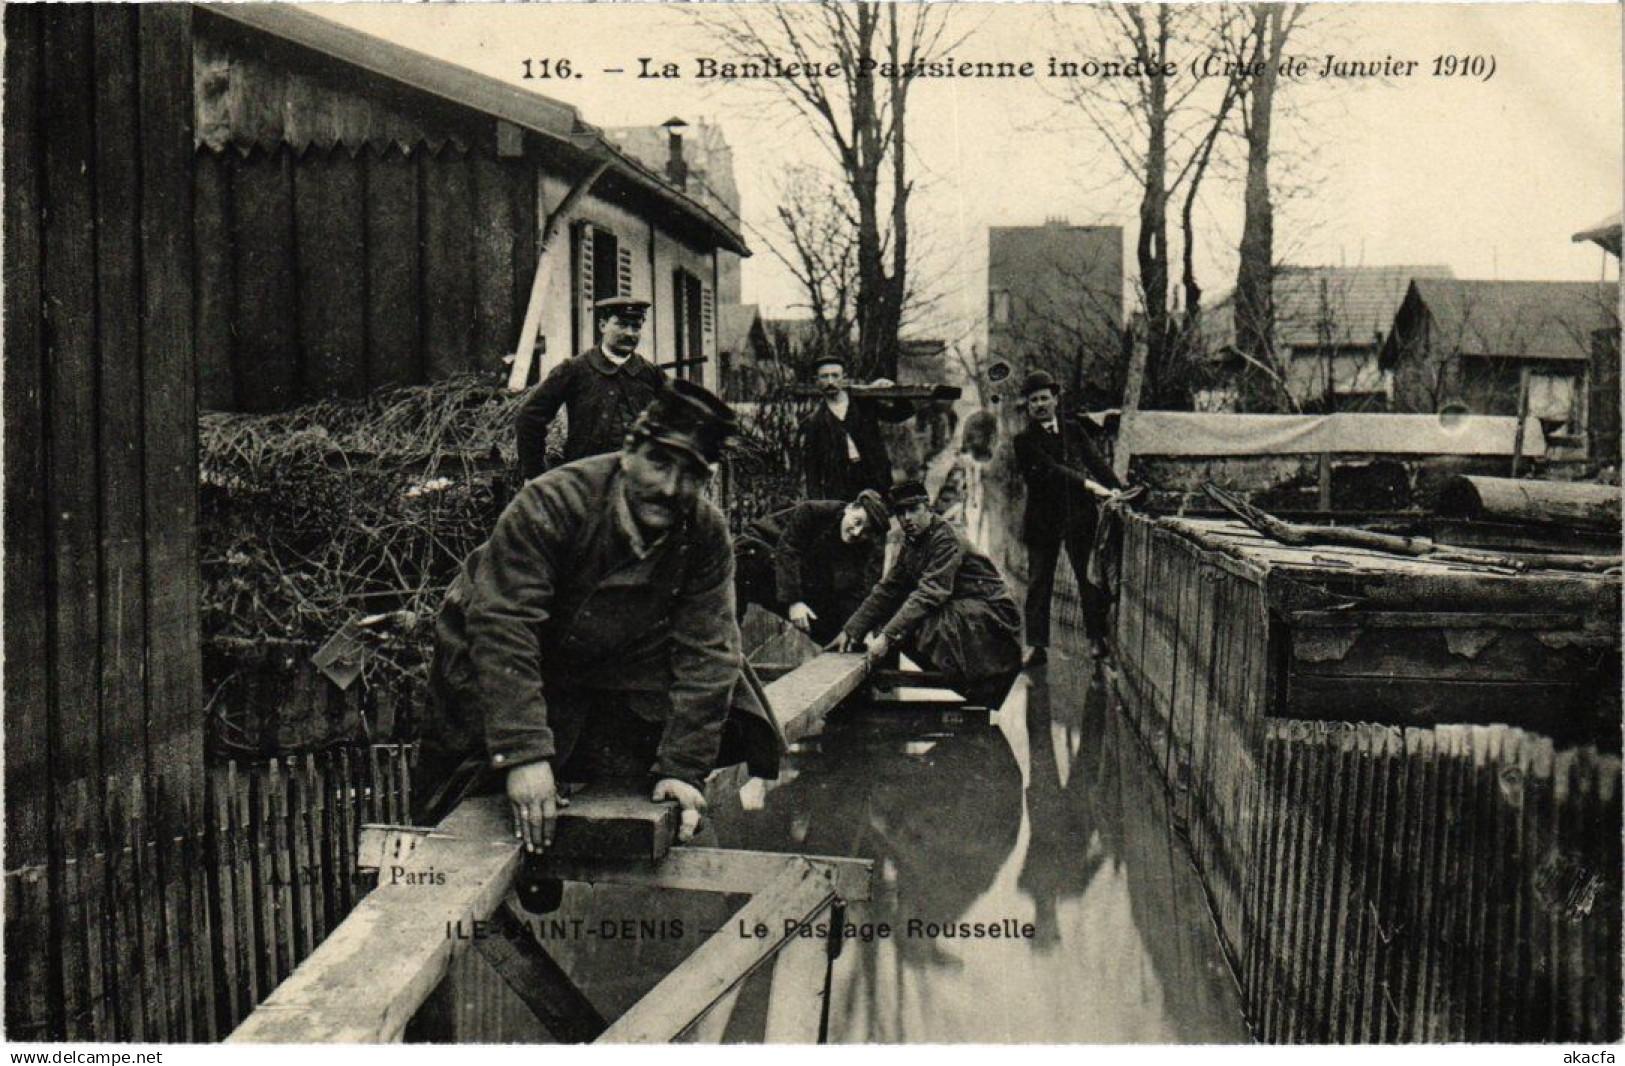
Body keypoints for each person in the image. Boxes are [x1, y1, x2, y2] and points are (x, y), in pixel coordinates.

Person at [419, 379, 785, 853]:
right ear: (629, 450)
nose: (671, 487)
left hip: (609, 649)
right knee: (474, 780)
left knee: (727, 698)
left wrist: (682, 768)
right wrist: (523, 755)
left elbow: (710, 650)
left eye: (691, 473)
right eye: (659, 462)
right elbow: (505, 625)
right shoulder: (551, 504)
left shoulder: (707, 533)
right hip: (492, 642)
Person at [835, 480, 1023, 708]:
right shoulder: (912, 542)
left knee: (924, 622)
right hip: (963, 608)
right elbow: (889, 588)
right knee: (896, 614)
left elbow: (930, 593)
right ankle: (892, 675)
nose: (907, 519)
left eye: (913, 510)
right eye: (901, 513)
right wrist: (852, 629)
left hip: (990, 614)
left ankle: (972, 683)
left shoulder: (946, 538)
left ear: (928, 508)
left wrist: (886, 637)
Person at [1012, 370, 1124, 663]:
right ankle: (1037, 646)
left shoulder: (1074, 430)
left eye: (1044, 398)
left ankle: (1097, 640)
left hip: (1078, 516)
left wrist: (1118, 489)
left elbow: (1095, 461)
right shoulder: (1023, 441)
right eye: (1033, 400)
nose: (1039, 405)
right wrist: (1089, 485)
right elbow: (1049, 470)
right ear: (1027, 405)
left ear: (1055, 398)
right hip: (1042, 519)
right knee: (1039, 581)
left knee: (1086, 577)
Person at [514, 296, 665, 479]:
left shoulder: (652, 374)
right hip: (587, 484)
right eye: (622, 324)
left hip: (640, 483)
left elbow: (678, 424)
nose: (630, 333)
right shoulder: (574, 369)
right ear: (602, 326)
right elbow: (530, 417)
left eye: (636, 327)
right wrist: (534, 473)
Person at [733, 490, 890, 646]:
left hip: (790, 570)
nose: (856, 532)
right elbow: (788, 549)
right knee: (728, 626)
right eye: (857, 522)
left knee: (836, 632)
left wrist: (860, 628)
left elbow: (858, 588)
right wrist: (794, 602)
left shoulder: (864, 545)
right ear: (850, 508)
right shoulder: (813, 511)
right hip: (753, 556)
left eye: (866, 531)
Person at [798, 355, 914, 501]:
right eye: (824, 376)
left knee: (879, 520)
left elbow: (902, 414)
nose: (830, 382)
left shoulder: (863, 404)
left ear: (844, 378)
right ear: (816, 381)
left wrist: (894, 390)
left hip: (875, 478)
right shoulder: (814, 421)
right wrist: (817, 505)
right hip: (840, 487)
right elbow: (812, 469)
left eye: (835, 375)